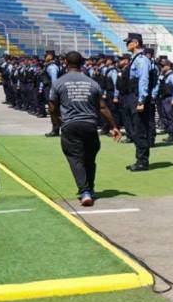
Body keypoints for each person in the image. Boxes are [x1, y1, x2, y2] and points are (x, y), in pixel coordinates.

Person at [48, 51, 122, 206]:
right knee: (90, 158)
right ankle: (91, 188)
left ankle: (85, 191)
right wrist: (114, 126)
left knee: (75, 158)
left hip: (70, 125)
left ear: (66, 64)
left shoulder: (58, 83)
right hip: (90, 125)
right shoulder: (92, 83)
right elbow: (102, 107)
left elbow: (52, 107)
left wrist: (58, 123)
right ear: (82, 64)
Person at [124, 34, 155, 171]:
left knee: (140, 129)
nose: (127, 45)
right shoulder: (135, 58)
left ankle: (142, 161)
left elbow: (143, 80)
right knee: (136, 129)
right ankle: (139, 159)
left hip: (138, 97)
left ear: (136, 43)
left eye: (129, 42)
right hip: (133, 96)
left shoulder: (141, 60)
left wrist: (141, 100)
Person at [43, 50, 62, 137]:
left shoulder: (52, 67)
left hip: (52, 91)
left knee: (54, 111)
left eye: (47, 55)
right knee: (54, 111)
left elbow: (54, 82)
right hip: (50, 90)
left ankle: (56, 130)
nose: (45, 56)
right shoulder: (48, 66)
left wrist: (52, 95)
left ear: (50, 56)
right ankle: (56, 129)